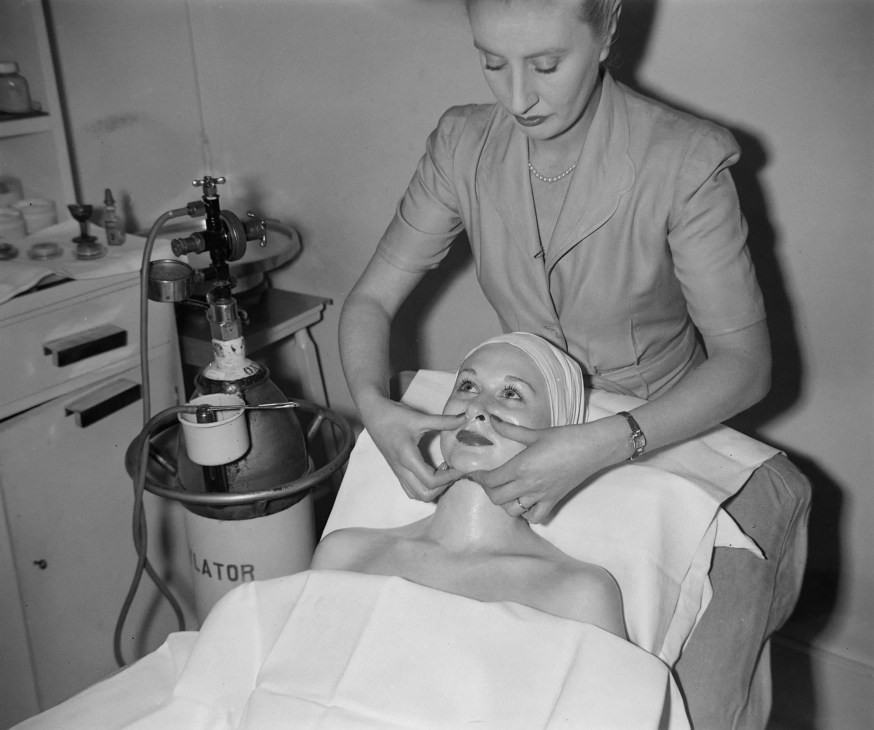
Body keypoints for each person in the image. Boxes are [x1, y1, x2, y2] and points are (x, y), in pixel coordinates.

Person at [339, 1, 809, 727]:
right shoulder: (463, 144)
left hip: (656, 420)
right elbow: (370, 299)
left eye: (546, 65)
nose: (517, 96)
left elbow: (746, 363)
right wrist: (375, 408)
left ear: (608, 30)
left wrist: (605, 443)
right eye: (492, 62)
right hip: (526, 392)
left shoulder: (683, 159)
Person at [314, 332, 626, 638]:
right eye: (467, 386)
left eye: (512, 394)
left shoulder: (580, 596)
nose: (476, 408)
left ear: (556, 435)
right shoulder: (342, 556)